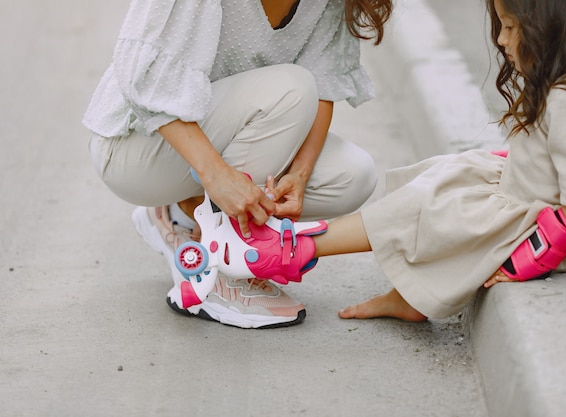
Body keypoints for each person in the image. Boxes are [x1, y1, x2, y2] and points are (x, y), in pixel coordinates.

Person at [222, 0, 566, 322]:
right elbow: (561, 162)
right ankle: (328, 259)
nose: (501, 39)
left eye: (510, 27)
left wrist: (530, 260)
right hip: (528, 202)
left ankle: (290, 250)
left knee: (437, 209)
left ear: (551, 28)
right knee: (441, 182)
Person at [83, 0, 393, 329]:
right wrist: (215, 175)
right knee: (292, 87)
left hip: (230, 132)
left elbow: (324, 82)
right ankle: (219, 270)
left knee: (353, 175)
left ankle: (179, 218)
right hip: (137, 143)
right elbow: (143, 78)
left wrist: (300, 176)